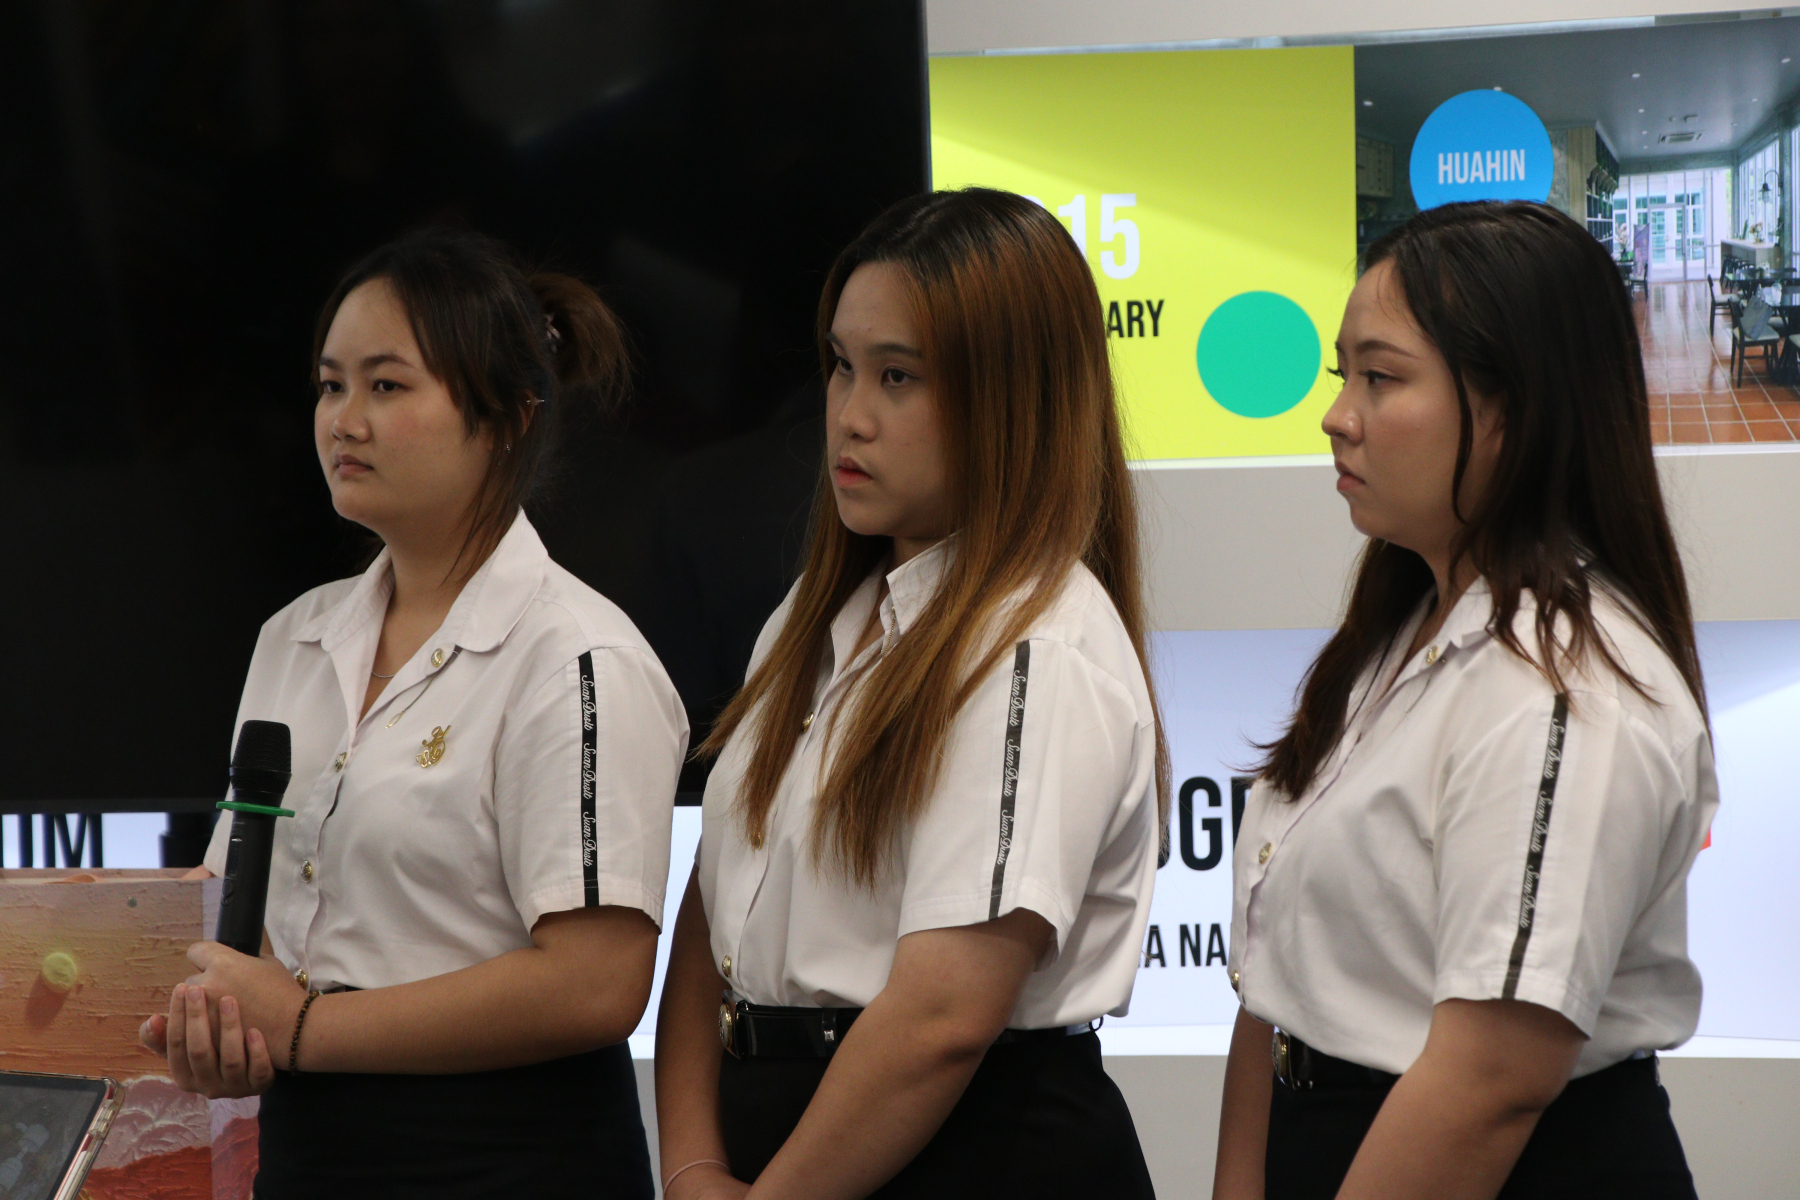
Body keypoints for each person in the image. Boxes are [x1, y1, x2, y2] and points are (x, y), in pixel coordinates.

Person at [138, 228, 687, 1198]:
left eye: (386, 386)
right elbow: (248, 921)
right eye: (330, 385)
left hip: (507, 1160)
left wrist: (303, 1025)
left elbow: (597, 984)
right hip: (307, 1151)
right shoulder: (294, 637)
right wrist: (222, 1029)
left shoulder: (577, 656)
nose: (343, 421)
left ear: (508, 416)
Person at [653, 188, 1166, 1200]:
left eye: (898, 376)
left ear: (1010, 398)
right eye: (842, 365)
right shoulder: (814, 616)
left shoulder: (1035, 647)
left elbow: (943, 1018)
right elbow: (715, 915)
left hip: (974, 1157)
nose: (851, 414)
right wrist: (695, 1164)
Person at [1212, 200, 1715, 1200]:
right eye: (1342, 376)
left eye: (1381, 377)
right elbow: (1277, 995)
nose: (1337, 416)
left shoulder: (1564, 693)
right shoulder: (1403, 629)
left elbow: (1490, 1082)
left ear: (1512, 411)